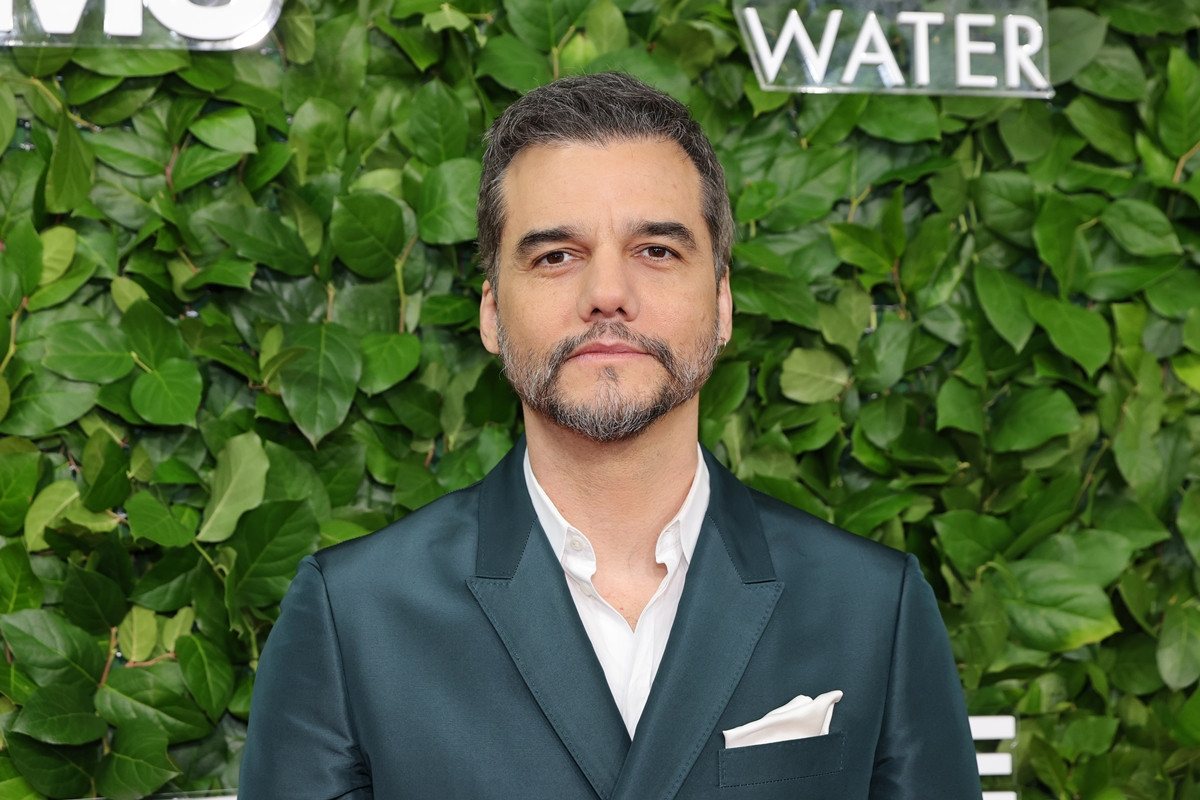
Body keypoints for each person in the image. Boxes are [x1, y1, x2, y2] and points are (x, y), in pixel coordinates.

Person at [239, 72, 982, 799]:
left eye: (656, 250)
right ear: (491, 314)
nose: (607, 295)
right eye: (555, 256)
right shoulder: (353, 616)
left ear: (723, 302)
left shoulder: (872, 607)